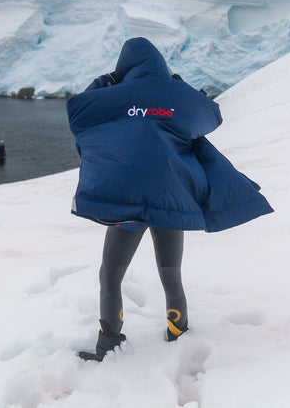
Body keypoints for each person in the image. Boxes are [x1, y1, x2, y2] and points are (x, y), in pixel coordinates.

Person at [66, 37, 273, 362]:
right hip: (171, 202)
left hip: (129, 204)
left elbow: (80, 113)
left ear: (124, 66)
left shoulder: (115, 96)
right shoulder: (175, 96)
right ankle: (179, 335)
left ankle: (109, 347)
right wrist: (179, 86)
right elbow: (210, 116)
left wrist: (105, 83)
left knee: (110, 276)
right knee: (171, 273)